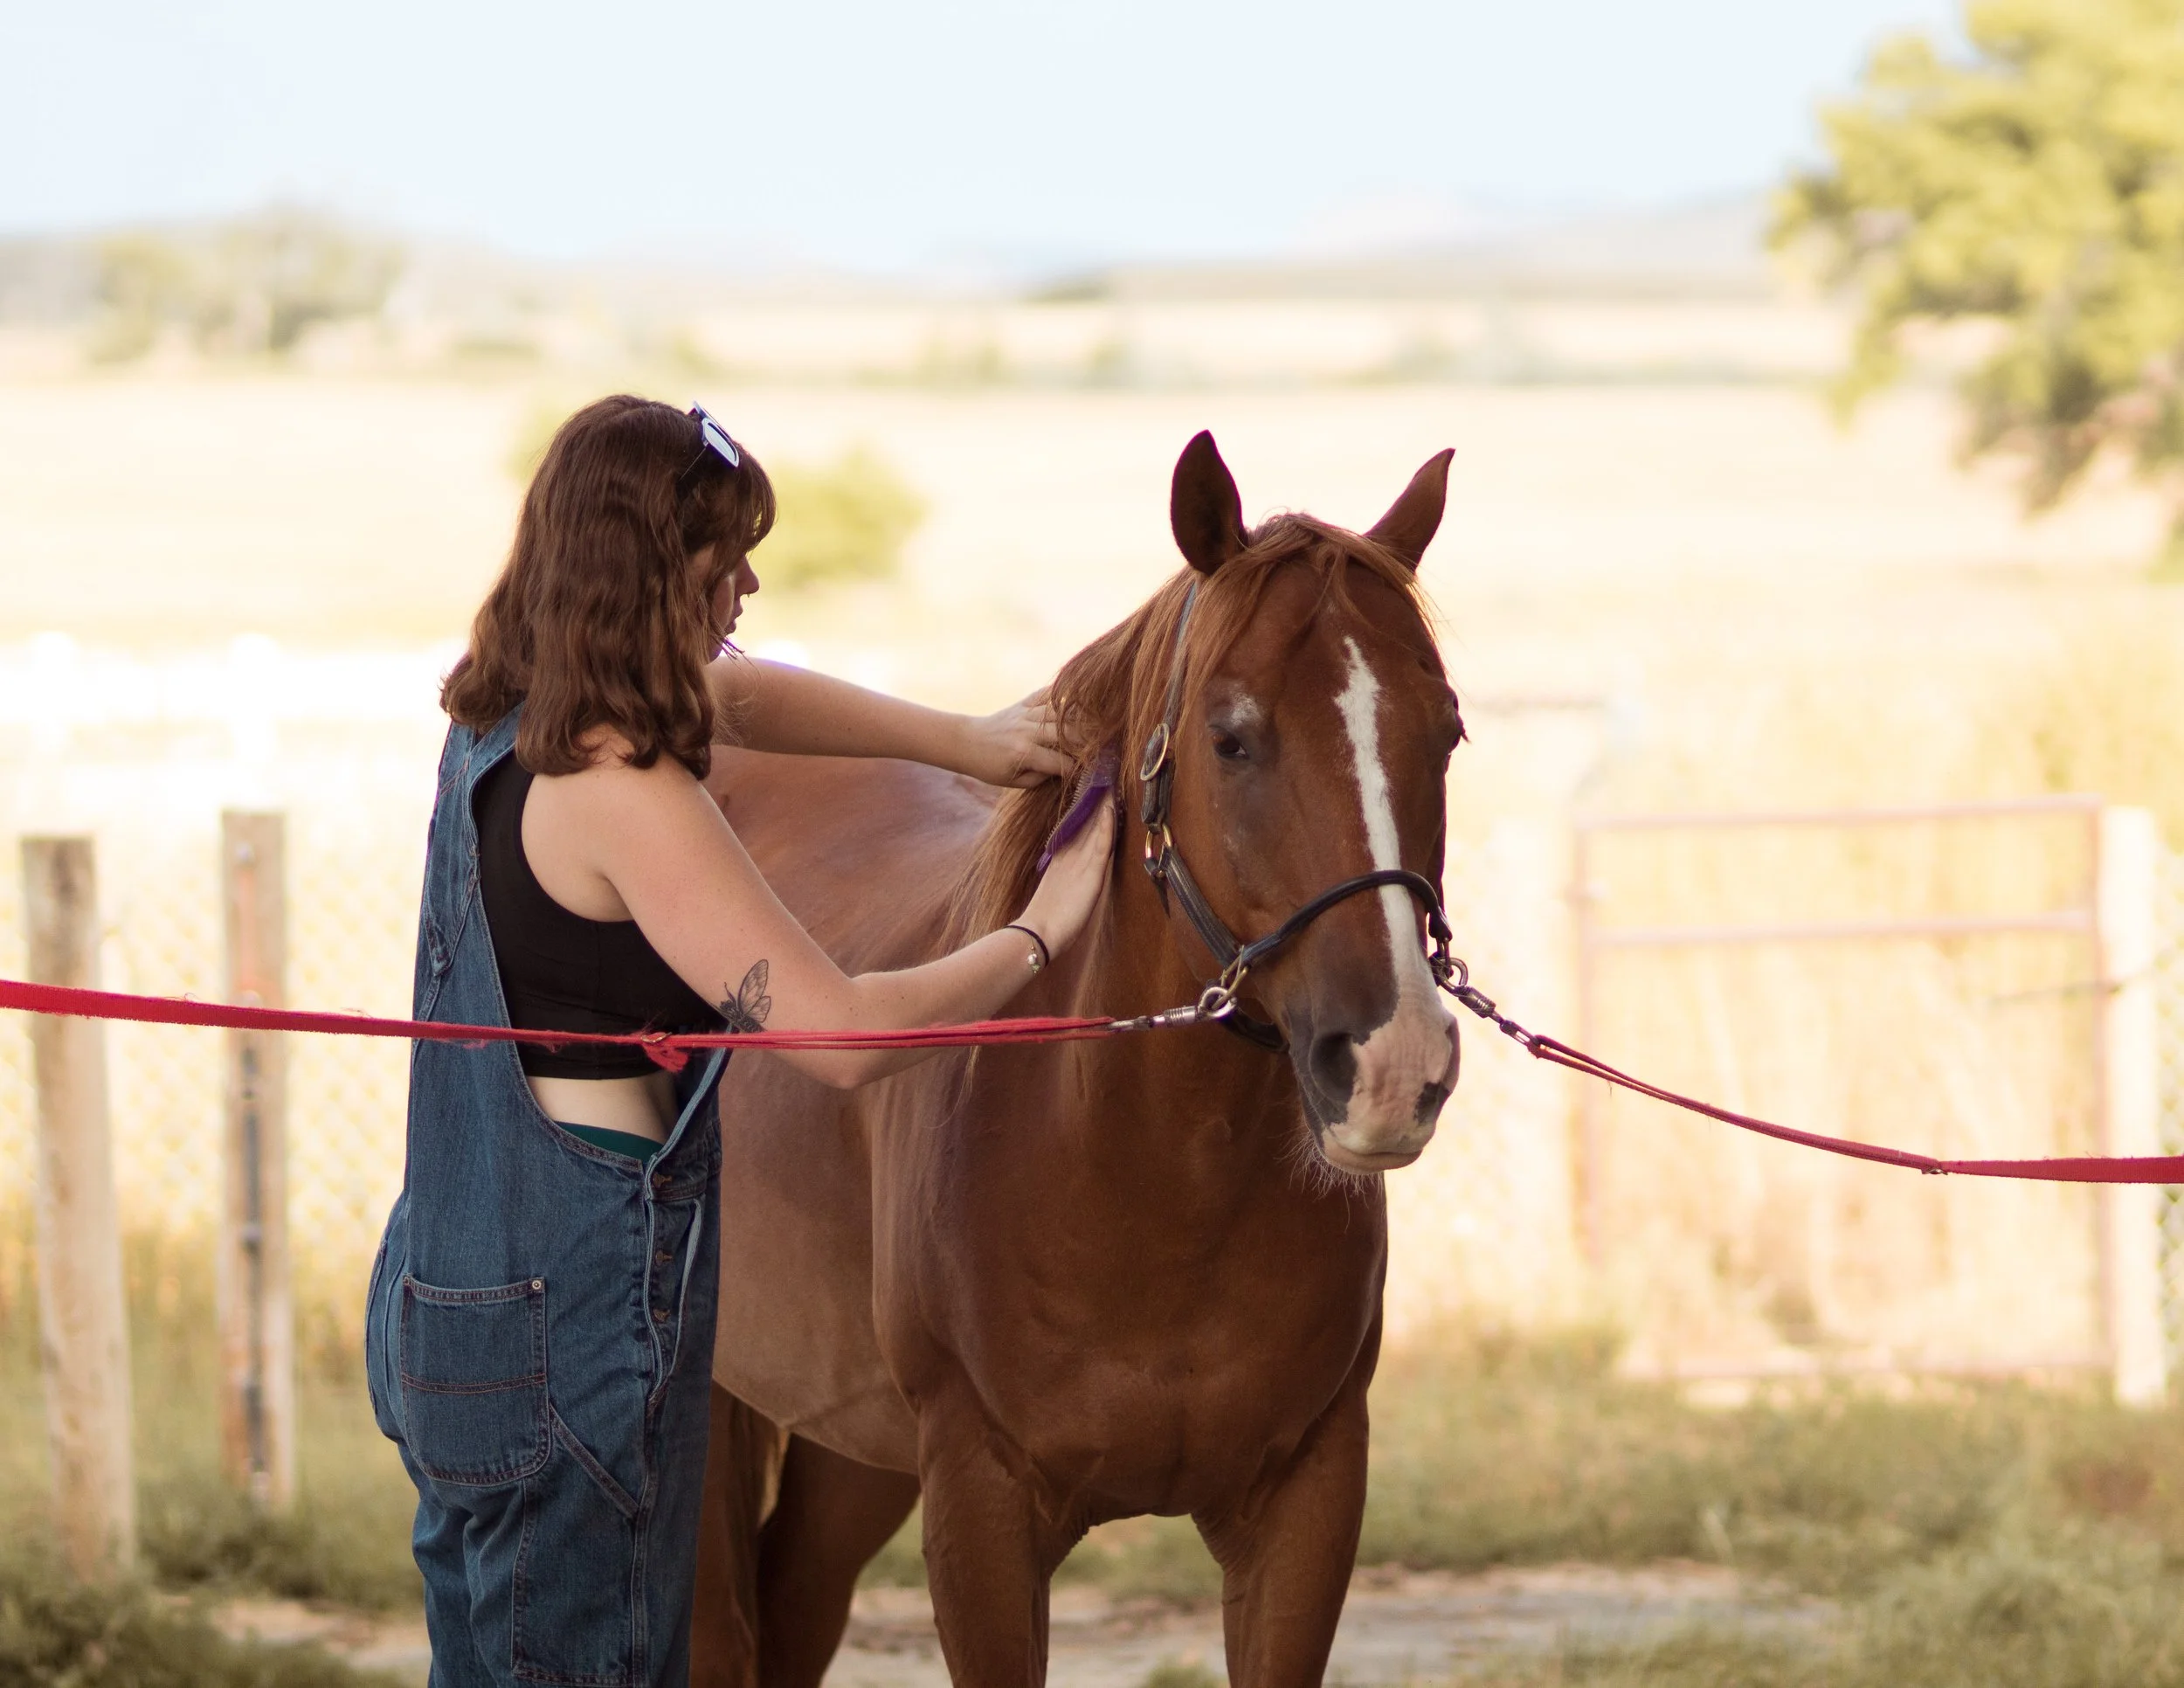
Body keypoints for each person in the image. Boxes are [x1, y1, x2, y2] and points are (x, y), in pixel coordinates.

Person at [363, 394, 1113, 1687]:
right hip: (577, 1339)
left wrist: (967, 744)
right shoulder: (623, 793)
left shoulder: (503, 721)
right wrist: (1044, 929)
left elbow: (740, 696)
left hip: (452, 1303)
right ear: (652, 571)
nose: (750, 583)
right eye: (724, 558)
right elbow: (841, 1035)